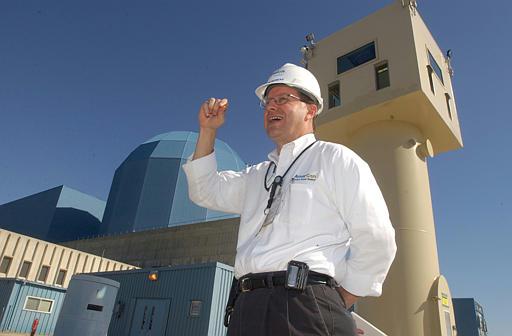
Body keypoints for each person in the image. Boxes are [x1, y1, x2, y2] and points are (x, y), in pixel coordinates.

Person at [182, 63, 396, 336]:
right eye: (268, 102)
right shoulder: (258, 174)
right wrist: (208, 131)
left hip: (308, 306)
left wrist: (341, 299)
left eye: (283, 99)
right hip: (246, 307)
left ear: (311, 109)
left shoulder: (334, 159)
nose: (271, 107)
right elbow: (204, 190)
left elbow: (376, 236)